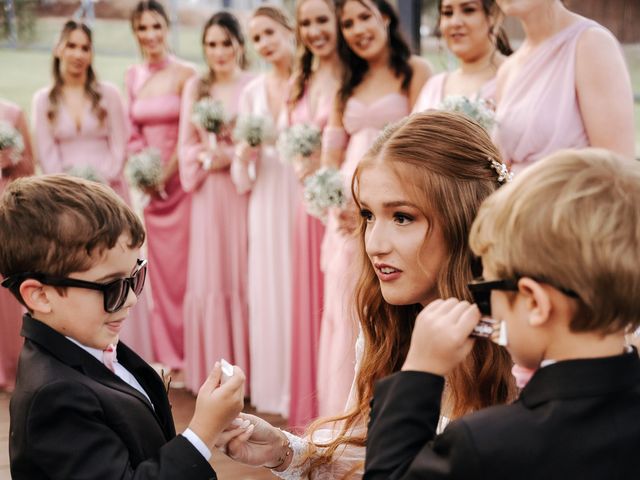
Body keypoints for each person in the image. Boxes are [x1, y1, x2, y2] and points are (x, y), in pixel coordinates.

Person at [222, 111, 515, 478]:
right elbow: (375, 457)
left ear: (465, 218)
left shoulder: (521, 346)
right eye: (368, 216)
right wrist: (284, 451)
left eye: (402, 217)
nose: (374, 244)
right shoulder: (389, 330)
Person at [364, 148, 640, 479]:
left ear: (535, 303)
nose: (485, 303)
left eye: (487, 289)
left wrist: (419, 371)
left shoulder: (484, 444)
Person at [1, 175, 249, 479]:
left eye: (135, 277)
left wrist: (197, 439)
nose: (131, 299)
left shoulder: (86, 342)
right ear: (40, 295)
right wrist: (201, 435)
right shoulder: (53, 399)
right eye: (112, 286)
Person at [317, 0, 432, 418]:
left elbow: (421, 143)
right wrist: (337, 199)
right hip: (348, 211)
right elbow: (330, 156)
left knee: (387, 305)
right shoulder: (344, 82)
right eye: (347, 23)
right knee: (348, 303)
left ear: (385, 16)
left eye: (364, 16)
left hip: (398, 200)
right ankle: (342, 414)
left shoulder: (415, 71)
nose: (356, 29)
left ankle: (385, 406)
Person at [178, 11, 254, 394]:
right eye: (211, 43)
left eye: (226, 42)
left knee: (243, 272)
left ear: (240, 44)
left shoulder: (252, 84)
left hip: (243, 193)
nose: (219, 51)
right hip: (208, 194)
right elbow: (184, 145)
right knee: (212, 274)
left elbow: (259, 142)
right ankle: (213, 374)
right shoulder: (196, 86)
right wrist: (208, 158)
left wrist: (234, 157)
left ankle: (250, 372)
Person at [231, 4, 298, 417]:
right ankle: (273, 390)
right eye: (256, 38)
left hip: (300, 194)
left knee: (300, 286)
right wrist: (245, 153)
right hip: (265, 198)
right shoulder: (252, 92)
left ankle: (305, 382)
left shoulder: (310, 83)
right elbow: (241, 174)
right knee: (268, 287)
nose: (264, 43)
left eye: (270, 33)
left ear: (289, 30)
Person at [126, 0, 196, 375]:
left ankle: (191, 350)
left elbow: (188, 132)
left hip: (181, 186)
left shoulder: (187, 74)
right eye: (142, 28)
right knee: (161, 273)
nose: (150, 35)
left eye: (156, 26)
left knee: (187, 271)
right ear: (135, 33)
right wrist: (143, 171)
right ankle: (169, 355)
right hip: (149, 190)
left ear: (167, 28)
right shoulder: (133, 75)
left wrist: (165, 174)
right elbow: (131, 131)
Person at [493, 0, 635, 173]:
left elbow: (618, 168)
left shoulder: (591, 43)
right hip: (515, 198)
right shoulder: (507, 70)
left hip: (572, 197)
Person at [287, 0, 342, 430]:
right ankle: (310, 404)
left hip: (341, 205)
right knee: (308, 301)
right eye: (306, 22)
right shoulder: (300, 78)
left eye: (322, 20)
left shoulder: (350, 74)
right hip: (305, 206)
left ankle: (340, 399)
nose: (314, 30)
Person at [32, 20, 131, 201]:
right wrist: (70, 188)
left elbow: (120, 145)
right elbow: (46, 154)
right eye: (71, 46)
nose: (78, 54)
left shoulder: (109, 94)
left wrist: (101, 182)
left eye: (85, 48)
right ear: (58, 49)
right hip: (65, 195)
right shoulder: (43, 100)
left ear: (91, 54)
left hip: (110, 190)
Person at [412, 0, 511, 112]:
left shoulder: (516, 77)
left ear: (495, 16)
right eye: (448, 13)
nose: (455, 22)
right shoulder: (433, 86)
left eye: (468, 10)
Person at [0, 99, 34, 392]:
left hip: (4, 207)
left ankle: (11, 368)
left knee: (8, 293)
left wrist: (9, 161)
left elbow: (29, 169)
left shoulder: (13, 112)